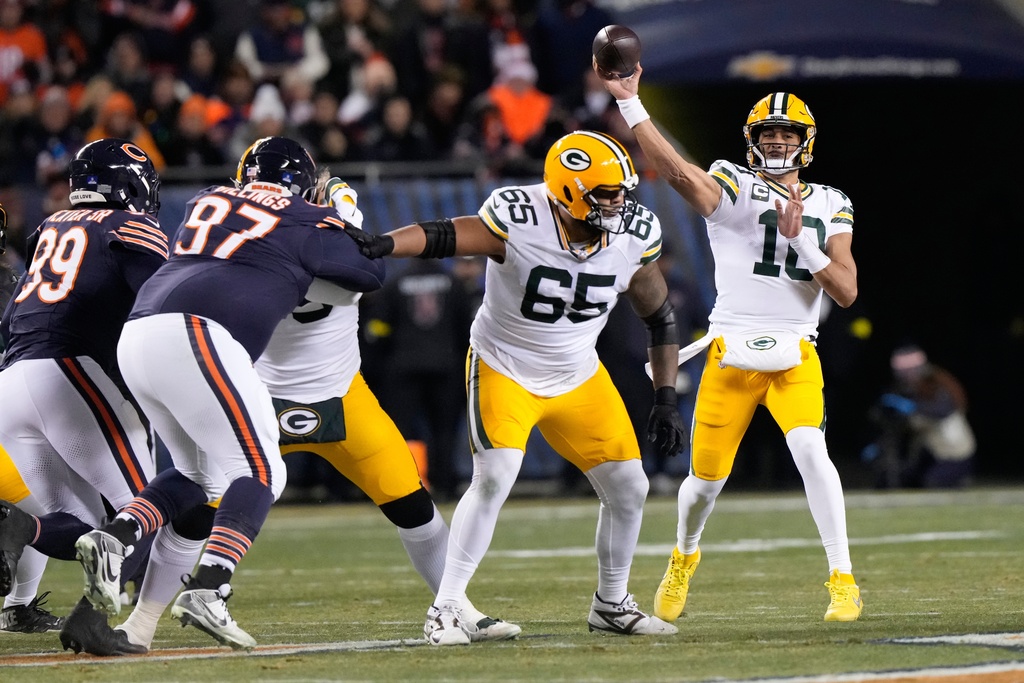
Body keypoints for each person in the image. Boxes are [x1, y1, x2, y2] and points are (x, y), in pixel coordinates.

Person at [346, 129, 687, 644]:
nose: (619, 202)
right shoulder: (521, 216)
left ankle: (611, 603)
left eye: (622, 191)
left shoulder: (634, 235)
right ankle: (446, 607)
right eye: (606, 193)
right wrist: (385, 244)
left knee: (630, 486)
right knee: (496, 475)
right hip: (504, 366)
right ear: (569, 191)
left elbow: (659, 318)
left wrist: (665, 397)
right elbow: (445, 235)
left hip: (578, 374)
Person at [70, 136, 385, 651]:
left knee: (201, 475)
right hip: (199, 335)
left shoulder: (206, 199)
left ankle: (118, 536)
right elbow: (370, 271)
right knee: (263, 472)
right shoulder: (305, 217)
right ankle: (209, 589)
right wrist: (344, 211)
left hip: (140, 333)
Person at [600, 70, 863, 623]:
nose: (777, 141)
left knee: (812, 452)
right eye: (768, 133)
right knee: (704, 484)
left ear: (806, 142)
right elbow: (676, 172)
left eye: (787, 134)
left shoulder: (831, 202)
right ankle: (684, 556)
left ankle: (843, 579)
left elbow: (845, 291)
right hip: (730, 352)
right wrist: (631, 104)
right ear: (752, 139)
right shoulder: (734, 183)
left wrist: (801, 242)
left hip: (795, 351)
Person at [254, 177, 519, 641]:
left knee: (412, 501)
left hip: (315, 393)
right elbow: (365, 265)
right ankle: (152, 609)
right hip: (278, 394)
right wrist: (340, 205)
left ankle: (455, 608)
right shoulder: (326, 235)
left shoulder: (233, 243)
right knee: (198, 504)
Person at [0, 139, 208, 654]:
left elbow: (14, 317)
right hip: (72, 375)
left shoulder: (50, 226)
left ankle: (17, 527)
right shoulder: (129, 227)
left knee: (90, 529)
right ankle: (92, 623)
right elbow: (161, 305)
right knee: (145, 516)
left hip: (12, 380)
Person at [862, 345, 975, 489]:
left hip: (957, 456)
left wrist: (912, 407)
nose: (907, 378)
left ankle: (959, 480)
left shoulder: (936, 385)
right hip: (933, 454)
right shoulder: (908, 392)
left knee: (931, 481)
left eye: (910, 372)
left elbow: (941, 410)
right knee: (908, 478)